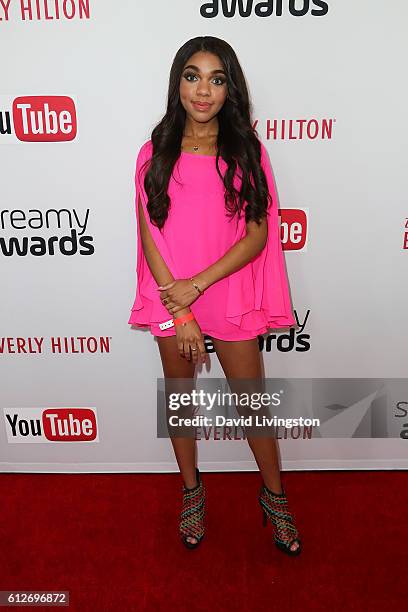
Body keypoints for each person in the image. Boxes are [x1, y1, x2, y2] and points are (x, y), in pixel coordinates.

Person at [128, 36, 301, 556]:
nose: (203, 90)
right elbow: (148, 235)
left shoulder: (247, 150)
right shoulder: (151, 151)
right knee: (180, 405)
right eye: (192, 76)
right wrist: (180, 310)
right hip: (168, 298)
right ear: (177, 82)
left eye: (216, 79)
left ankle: (275, 499)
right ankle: (191, 492)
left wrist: (197, 287)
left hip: (227, 294)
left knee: (253, 408)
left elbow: (256, 235)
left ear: (230, 89)